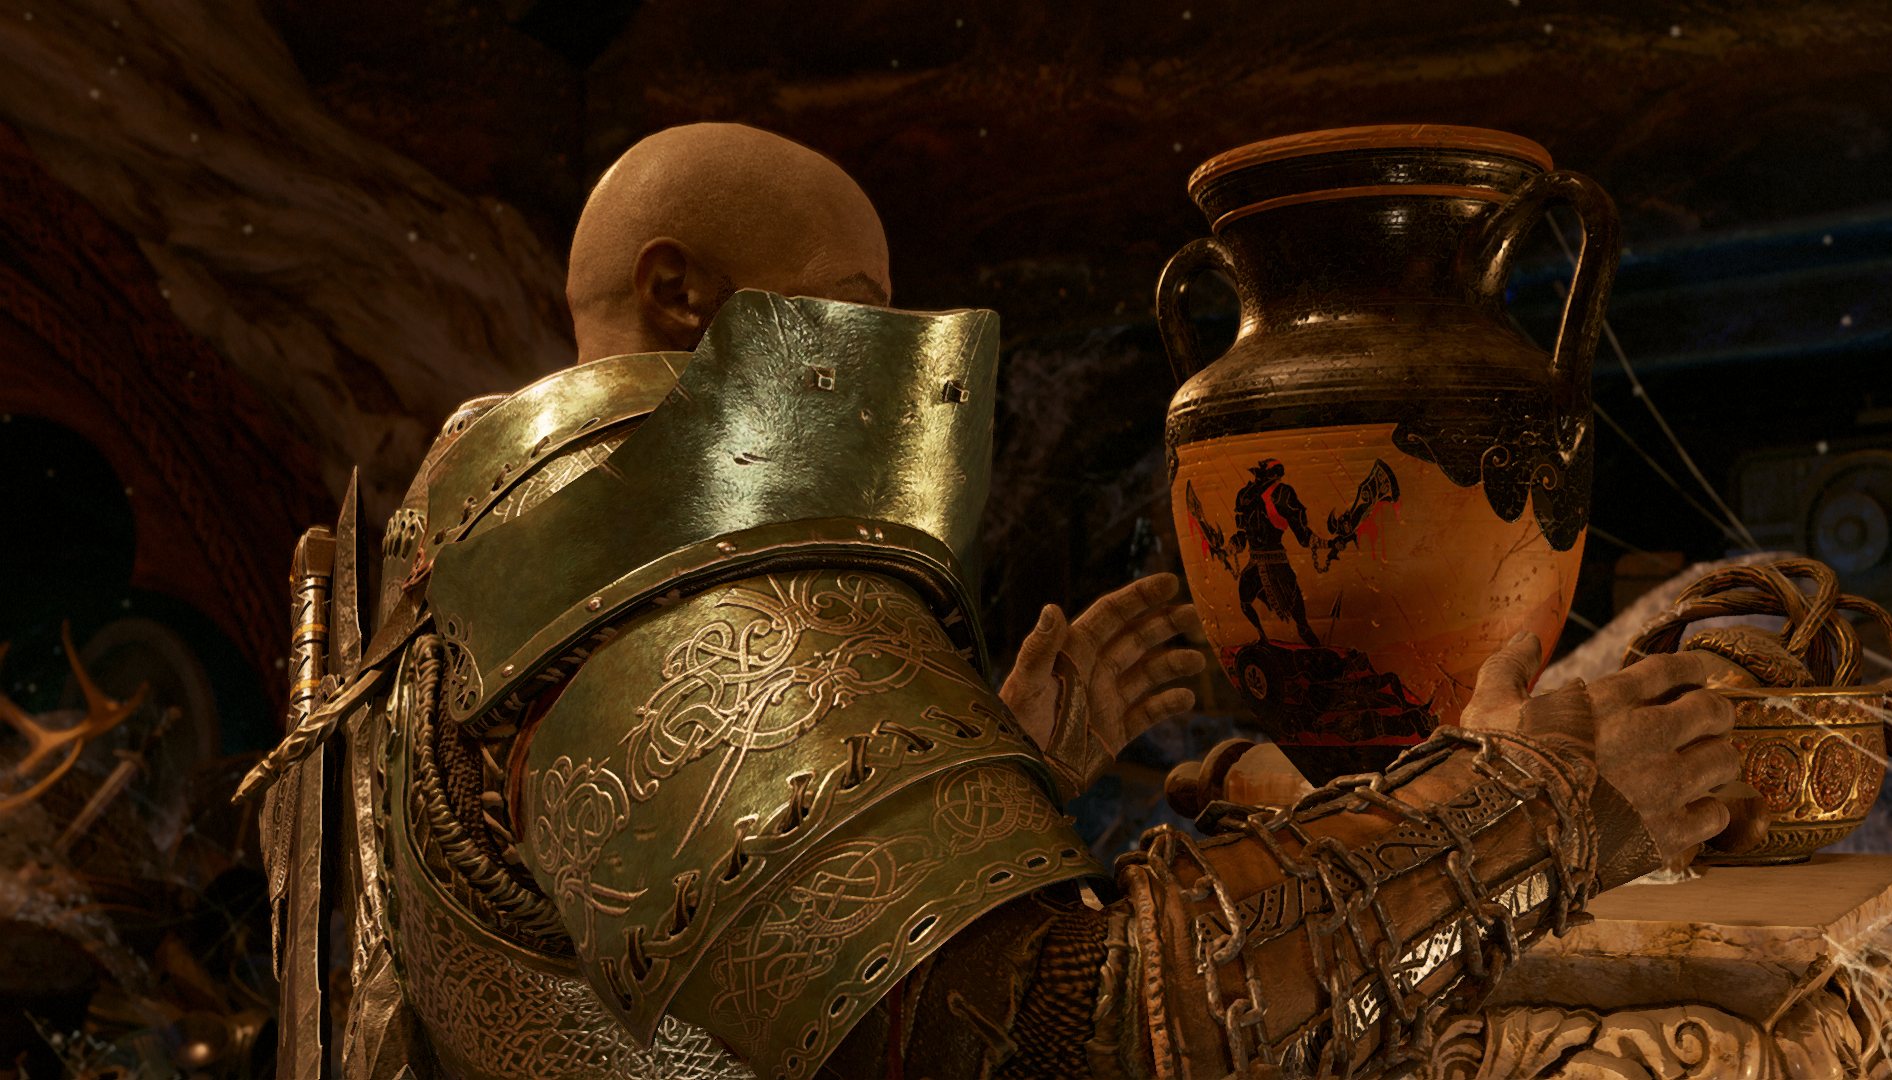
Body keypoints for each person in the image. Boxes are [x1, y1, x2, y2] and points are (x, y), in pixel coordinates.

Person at [248, 124, 1743, 1080]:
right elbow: (1063, 1031)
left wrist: (996, 785)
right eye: (853, 299)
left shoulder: (468, 537)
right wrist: (1547, 805)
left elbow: (669, 959)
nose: (882, 349)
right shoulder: (659, 551)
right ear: (682, 296)